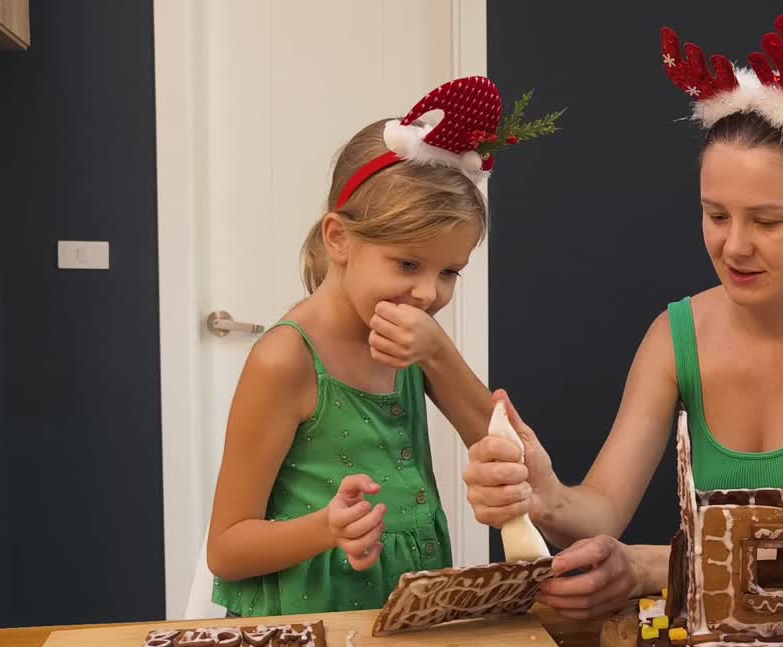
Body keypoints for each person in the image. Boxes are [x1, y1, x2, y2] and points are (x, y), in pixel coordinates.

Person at [463, 14, 783, 620]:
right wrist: (545, 497)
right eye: (717, 215)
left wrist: (647, 568)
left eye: (767, 220)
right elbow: (599, 510)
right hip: (736, 634)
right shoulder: (676, 336)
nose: (735, 246)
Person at [206, 77, 562, 617]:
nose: (428, 293)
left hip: (402, 612)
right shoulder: (286, 360)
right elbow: (226, 549)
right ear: (339, 239)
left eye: (450, 272)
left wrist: (437, 351)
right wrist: (325, 527)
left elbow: (500, 448)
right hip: (307, 626)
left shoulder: (412, 340)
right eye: (408, 264)